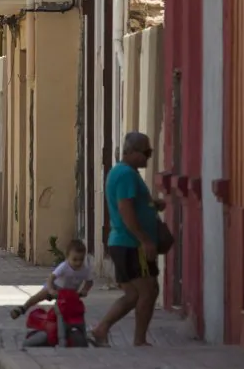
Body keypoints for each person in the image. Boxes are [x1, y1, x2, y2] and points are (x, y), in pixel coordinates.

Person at [89, 132, 165, 348]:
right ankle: (139, 340)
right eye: (146, 152)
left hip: (123, 242)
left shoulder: (123, 173)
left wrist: (151, 206)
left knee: (133, 294)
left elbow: (132, 205)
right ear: (131, 152)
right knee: (148, 290)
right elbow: (125, 209)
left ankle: (101, 329)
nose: (148, 158)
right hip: (130, 244)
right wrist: (145, 240)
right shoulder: (126, 175)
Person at [10, 238, 93, 319]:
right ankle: (23, 308)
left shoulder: (85, 269)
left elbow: (89, 281)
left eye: (81, 259)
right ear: (67, 257)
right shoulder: (64, 266)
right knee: (39, 296)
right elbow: (51, 278)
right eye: (75, 259)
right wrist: (51, 290)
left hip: (70, 293)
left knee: (73, 309)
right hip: (56, 287)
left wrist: (85, 290)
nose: (78, 263)